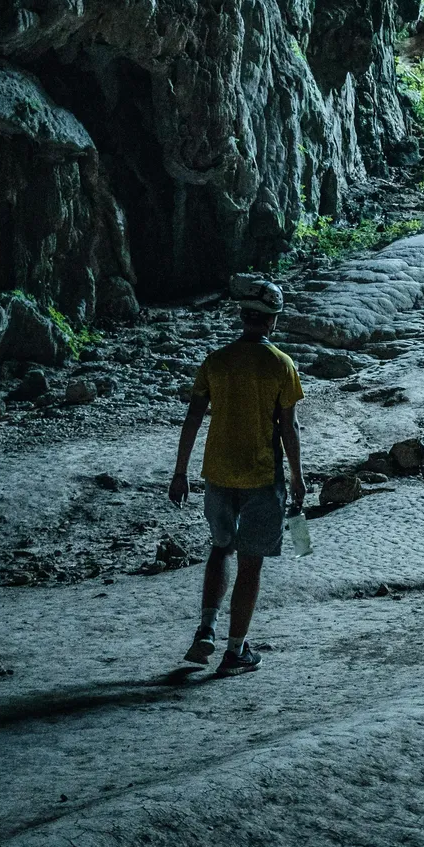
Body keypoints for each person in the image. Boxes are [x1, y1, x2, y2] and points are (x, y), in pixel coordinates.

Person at [169, 276, 305, 678]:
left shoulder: (216, 361)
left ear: (243, 318)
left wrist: (180, 474)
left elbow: (192, 417)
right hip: (262, 476)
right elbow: (288, 428)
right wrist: (297, 477)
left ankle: (206, 628)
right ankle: (235, 651)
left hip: (218, 474)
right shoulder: (281, 364)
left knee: (219, 548)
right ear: (273, 321)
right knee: (251, 563)